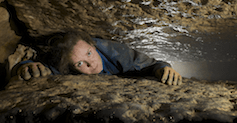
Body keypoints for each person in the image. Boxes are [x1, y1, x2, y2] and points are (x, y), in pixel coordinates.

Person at [12, 31, 182, 86]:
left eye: (89, 54)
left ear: (92, 45)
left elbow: (152, 65)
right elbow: (44, 66)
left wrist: (163, 68)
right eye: (80, 64)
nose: (91, 63)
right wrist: (27, 66)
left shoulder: (118, 54)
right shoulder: (65, 63)